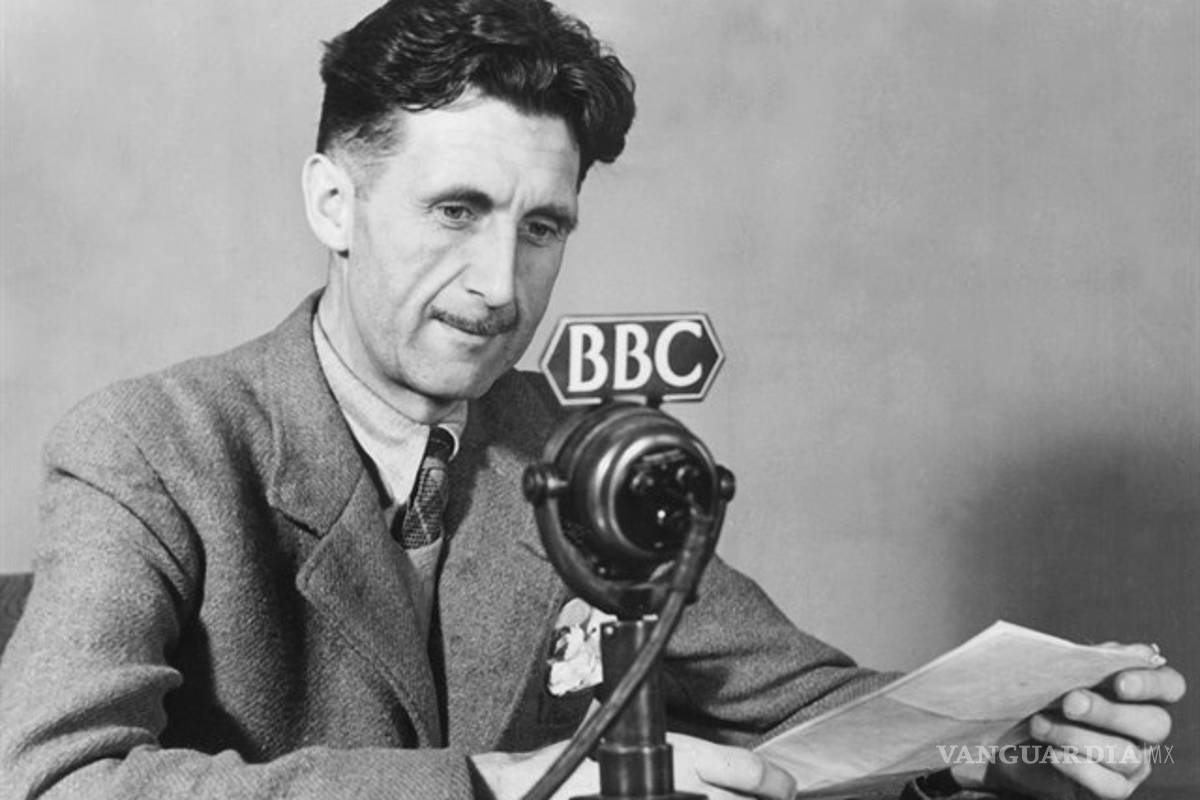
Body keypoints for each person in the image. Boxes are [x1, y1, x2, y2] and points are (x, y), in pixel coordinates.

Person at [0, 2, 1184, 799]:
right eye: (457, 210)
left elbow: (804, 704)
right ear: (332, 202)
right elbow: (53, 775)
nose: (500, 284)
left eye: (544, 227)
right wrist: (500, 783)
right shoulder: (149, 444)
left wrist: (1005, 736)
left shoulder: (578, 451)